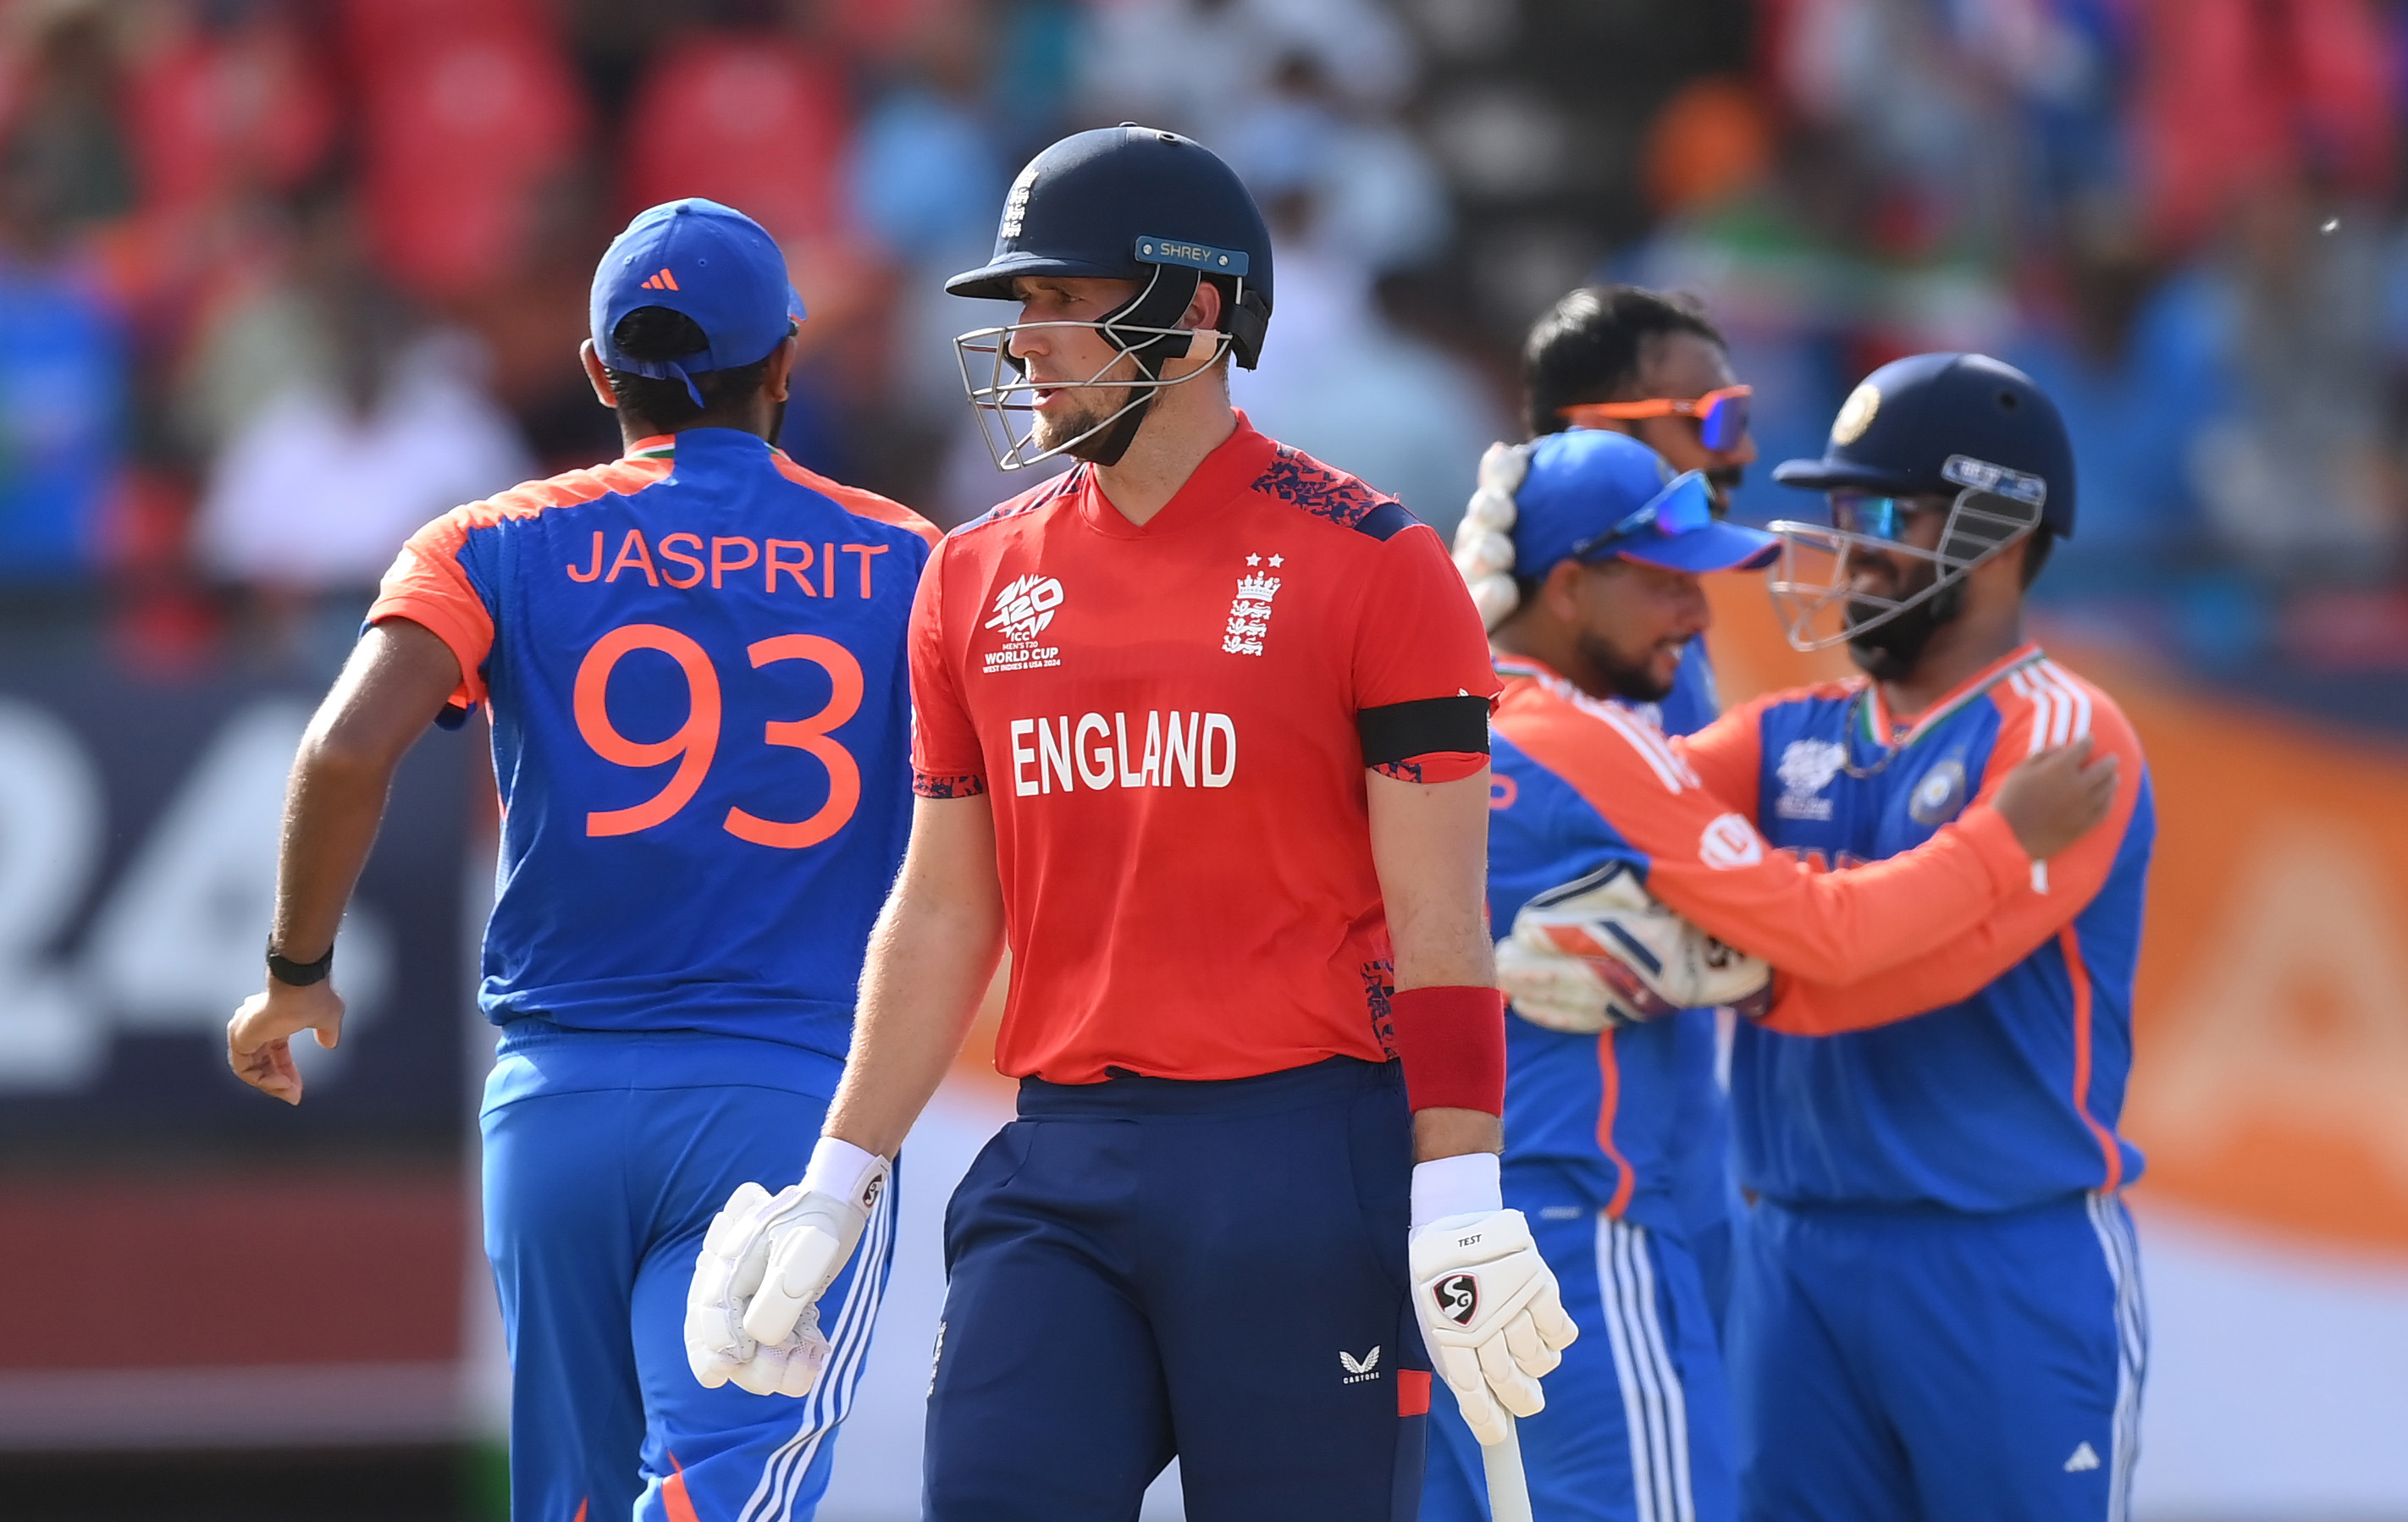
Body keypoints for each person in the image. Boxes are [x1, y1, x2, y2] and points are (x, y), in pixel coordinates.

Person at [682, 124, 1577, 1521]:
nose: (1022, 340)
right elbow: (940, 906)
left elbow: (1440, 918)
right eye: (1014, 305)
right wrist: (837, 1175)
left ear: (1193, 310)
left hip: (1301, 1161)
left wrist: (1459, 1187)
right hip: (1056, 1160)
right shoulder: (967, 576)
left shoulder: (1376, 563)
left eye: (1055, 297)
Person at [224, 199, 938, 1522]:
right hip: (786, 1093)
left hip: (553, 1100)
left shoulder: (486, 540)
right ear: (789, 361)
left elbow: (342, 749)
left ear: (599, 372)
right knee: (736, 1489)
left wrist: (294, 972)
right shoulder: (912, 560)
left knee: (570, 1497)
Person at [1425, 427, 2118, 1522]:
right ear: (1566, 584)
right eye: (1667, 585)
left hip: (1423, 1232)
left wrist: (1685, 952)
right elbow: (1830, 934)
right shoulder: (1593, 742)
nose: (1701, 620)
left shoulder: (1435, 717)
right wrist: (2001, 839)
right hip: (1577, 1229)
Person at [1677, 352, 2154, 1520]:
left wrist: (1719, 938)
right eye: (1841, 513)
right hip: (1791, 1255)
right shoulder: (1785, 728)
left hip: (2000, 1260)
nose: (1849, 548)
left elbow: (1885, 972)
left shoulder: (2065, 739)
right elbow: (1609, 821)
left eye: (1885, 513)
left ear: (1998, 530)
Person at [1522, 284, 1759, 736]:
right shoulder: (1520, 651)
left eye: (1740, 417)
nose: (1744, 451)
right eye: (1715, 419)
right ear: (1597, 432)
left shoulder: (1660, 618)